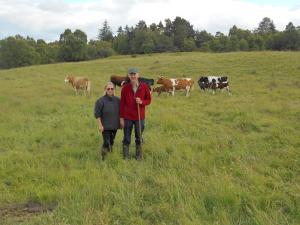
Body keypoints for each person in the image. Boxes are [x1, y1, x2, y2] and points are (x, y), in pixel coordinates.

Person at [120, 68, 152, 160]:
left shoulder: (144, 86)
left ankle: (138, 155)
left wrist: (142, 102)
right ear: (129, 76)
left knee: (139, 136)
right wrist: (121, 117)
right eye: (131, 74)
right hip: (128, 117)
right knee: (126, 137)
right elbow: (122, 103)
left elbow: (149, 100)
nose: (133, 76)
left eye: (135, 74)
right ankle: (126, 155)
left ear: (138, 75)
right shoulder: (125, 88)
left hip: (139, 117)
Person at [94, 82, 120, 160]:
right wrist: (100, 125)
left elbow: (121, 112)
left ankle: (110, 153)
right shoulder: (100, 101)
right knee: (106, 142)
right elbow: (97, 114)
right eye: (108, 89)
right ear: (105, 90)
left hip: (115, 125)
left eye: (112, 89)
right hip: (105, 126)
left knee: (111, 141)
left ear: (114, 90)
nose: (110, 90)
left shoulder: (118, 100)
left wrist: (122, 122)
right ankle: (103, 158)